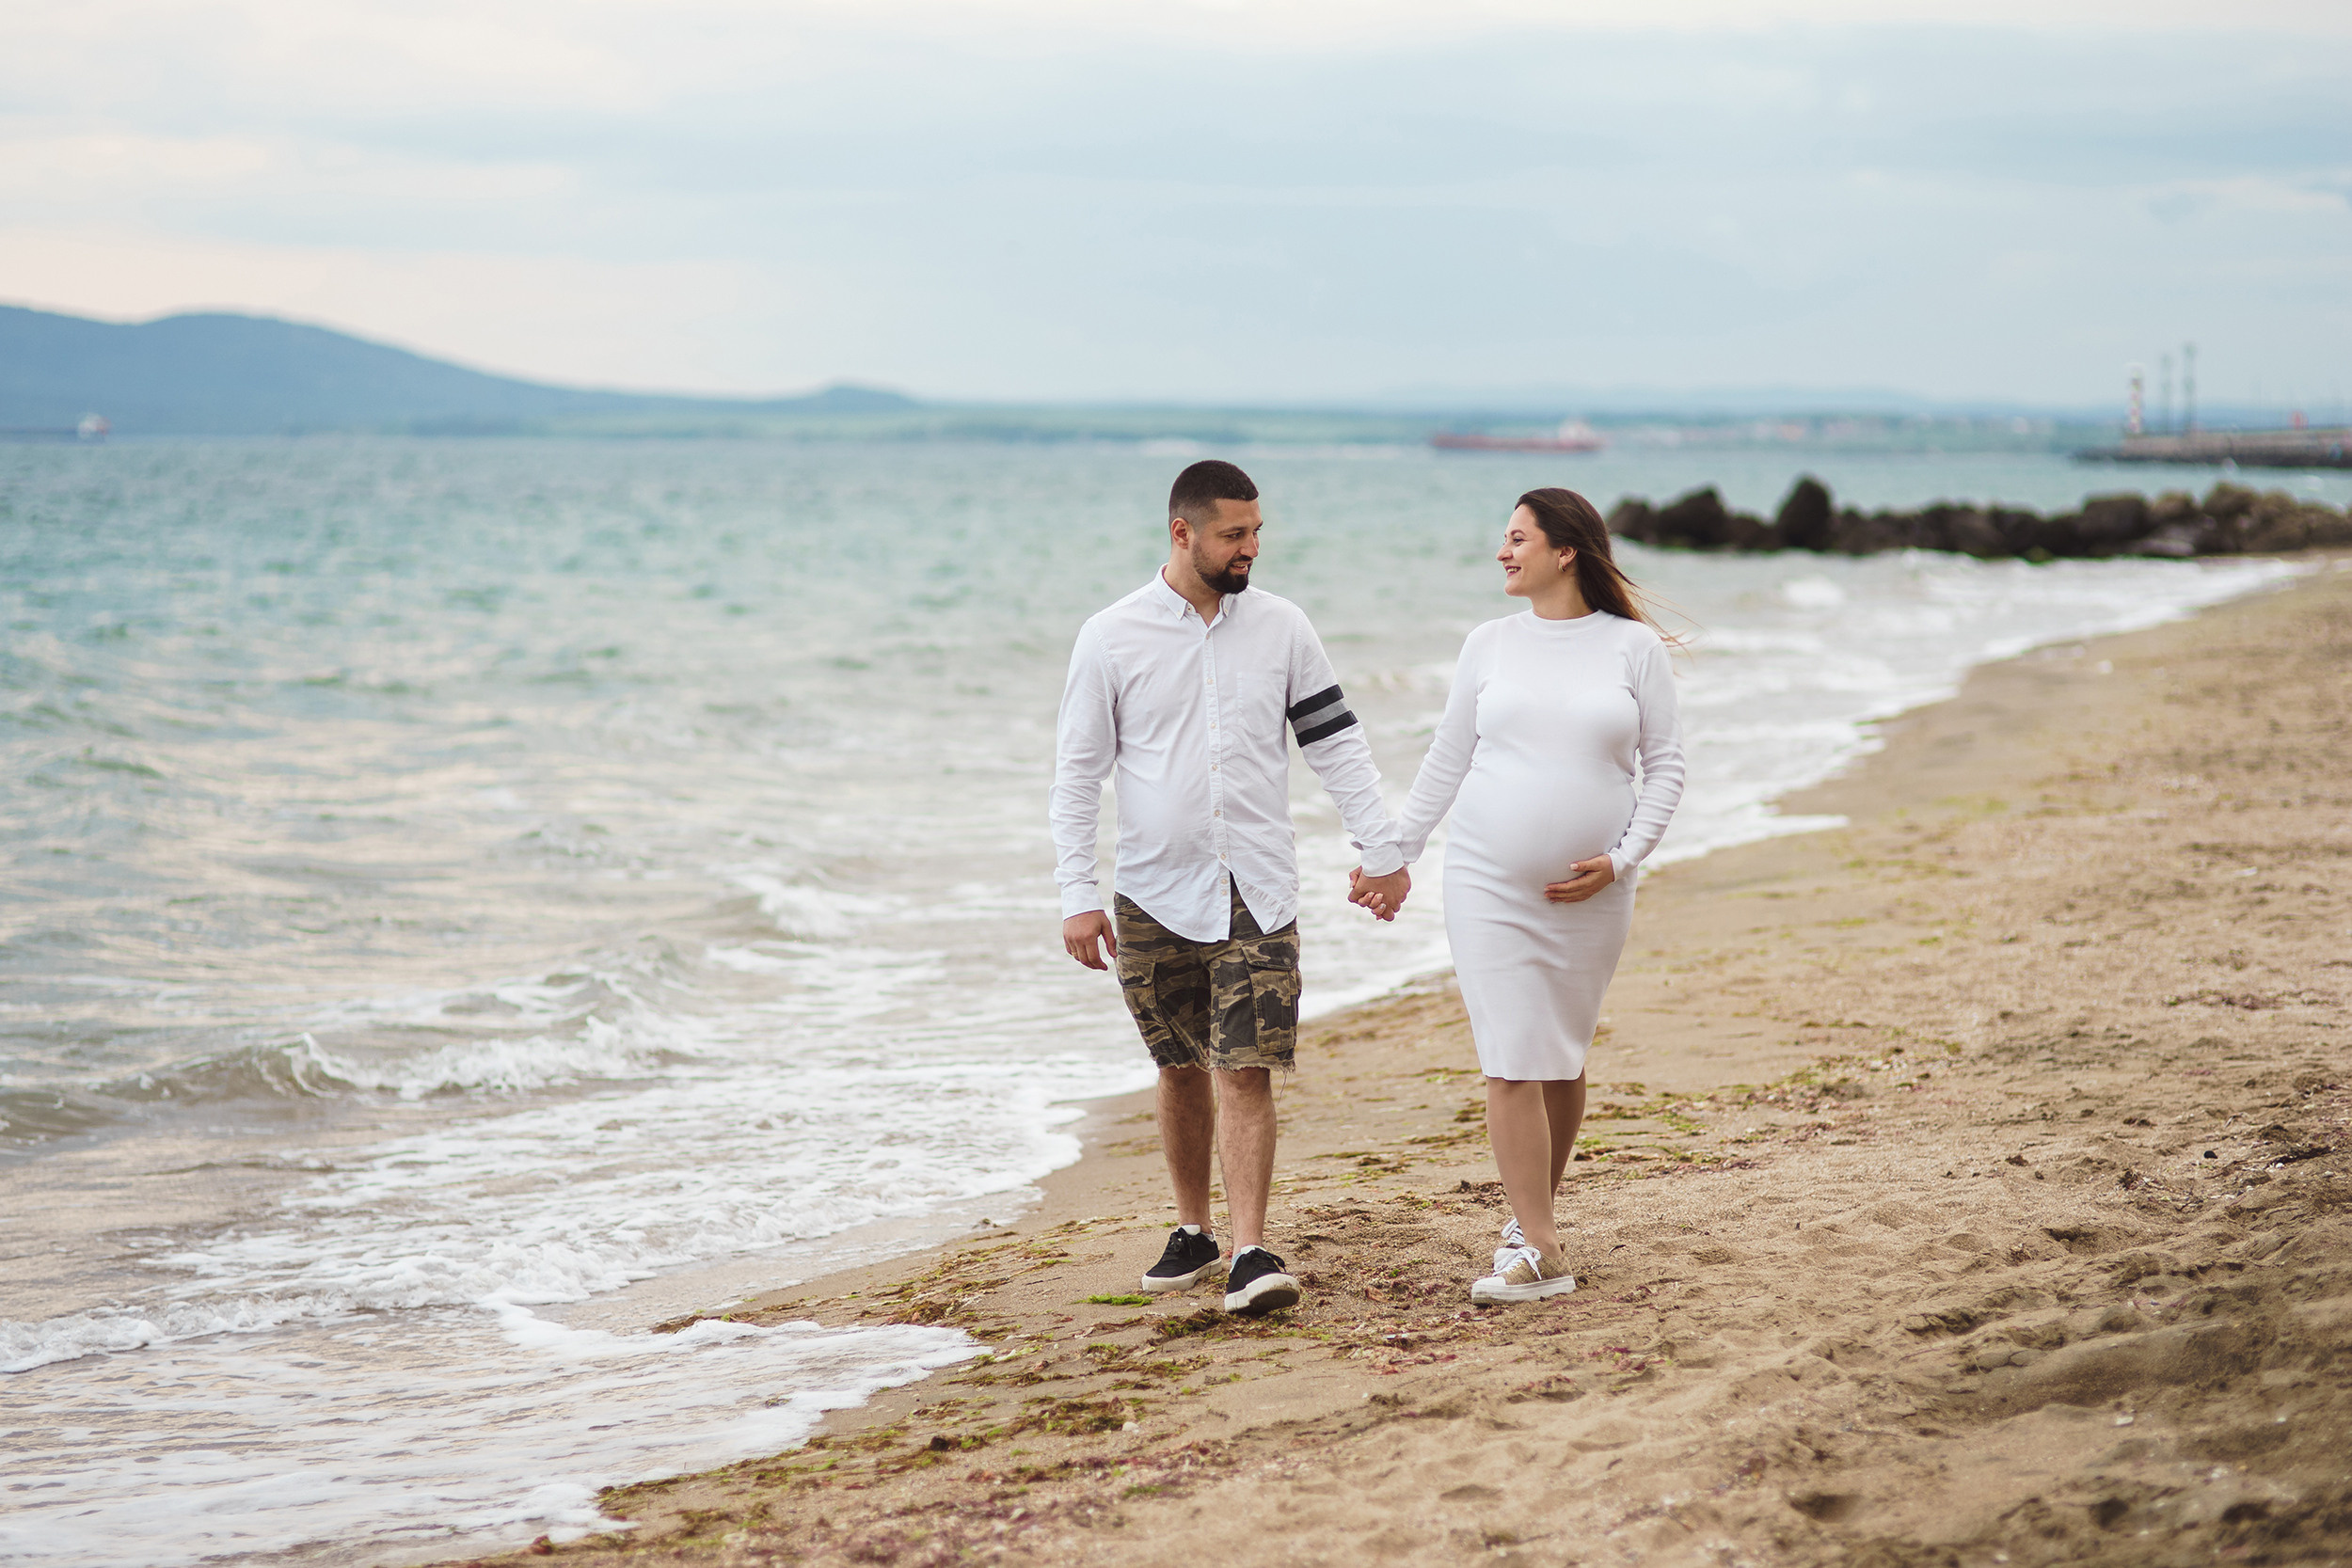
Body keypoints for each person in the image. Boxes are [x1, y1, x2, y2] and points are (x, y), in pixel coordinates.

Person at [1053, 459, 1411, 1315]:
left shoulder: (1283, 626)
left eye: (1256, 532)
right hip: (1152, 892)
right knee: (1180, 1067)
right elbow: (1077, 774)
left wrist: (1383, 847)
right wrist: (1076, 892)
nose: (1250, 548)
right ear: (1182, 533)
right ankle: (1196, 1230)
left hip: (1260, 888)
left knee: (1246, 1069)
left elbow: (1335, 743)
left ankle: (1252, 1248)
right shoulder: (1110, 635)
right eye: (1233, 534)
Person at [1354, 487, 1684, 1306]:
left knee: (1560, 1057)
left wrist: (1623, 859)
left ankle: (1531, 1220)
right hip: (1485, 880)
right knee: (1511, 1057)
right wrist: (1392, 855)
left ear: (1564, 550)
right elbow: (1447, 757)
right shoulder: (1489, 643)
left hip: (1592, 892)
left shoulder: (1633, 647)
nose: (1502, 552)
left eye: (1517, 538)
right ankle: (1540, 1247)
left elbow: (1666, 767)